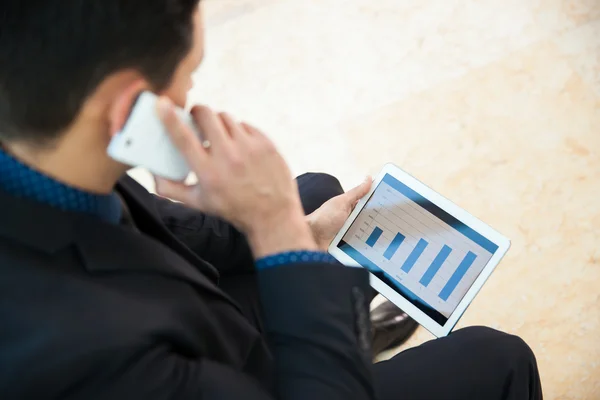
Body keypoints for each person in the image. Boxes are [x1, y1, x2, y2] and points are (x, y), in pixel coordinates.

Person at [0, 1, 543, 399]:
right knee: (498, 358)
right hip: (206, 371)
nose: (191, 93)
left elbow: (169, 229)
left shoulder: (39, 151)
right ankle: (331, 342)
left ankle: (328, 324)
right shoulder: (88, 361)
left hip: (174, 304)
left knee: (317, 194)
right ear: (128, 113)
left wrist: (298, 227)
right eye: (189, 73)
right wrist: (278, 229)